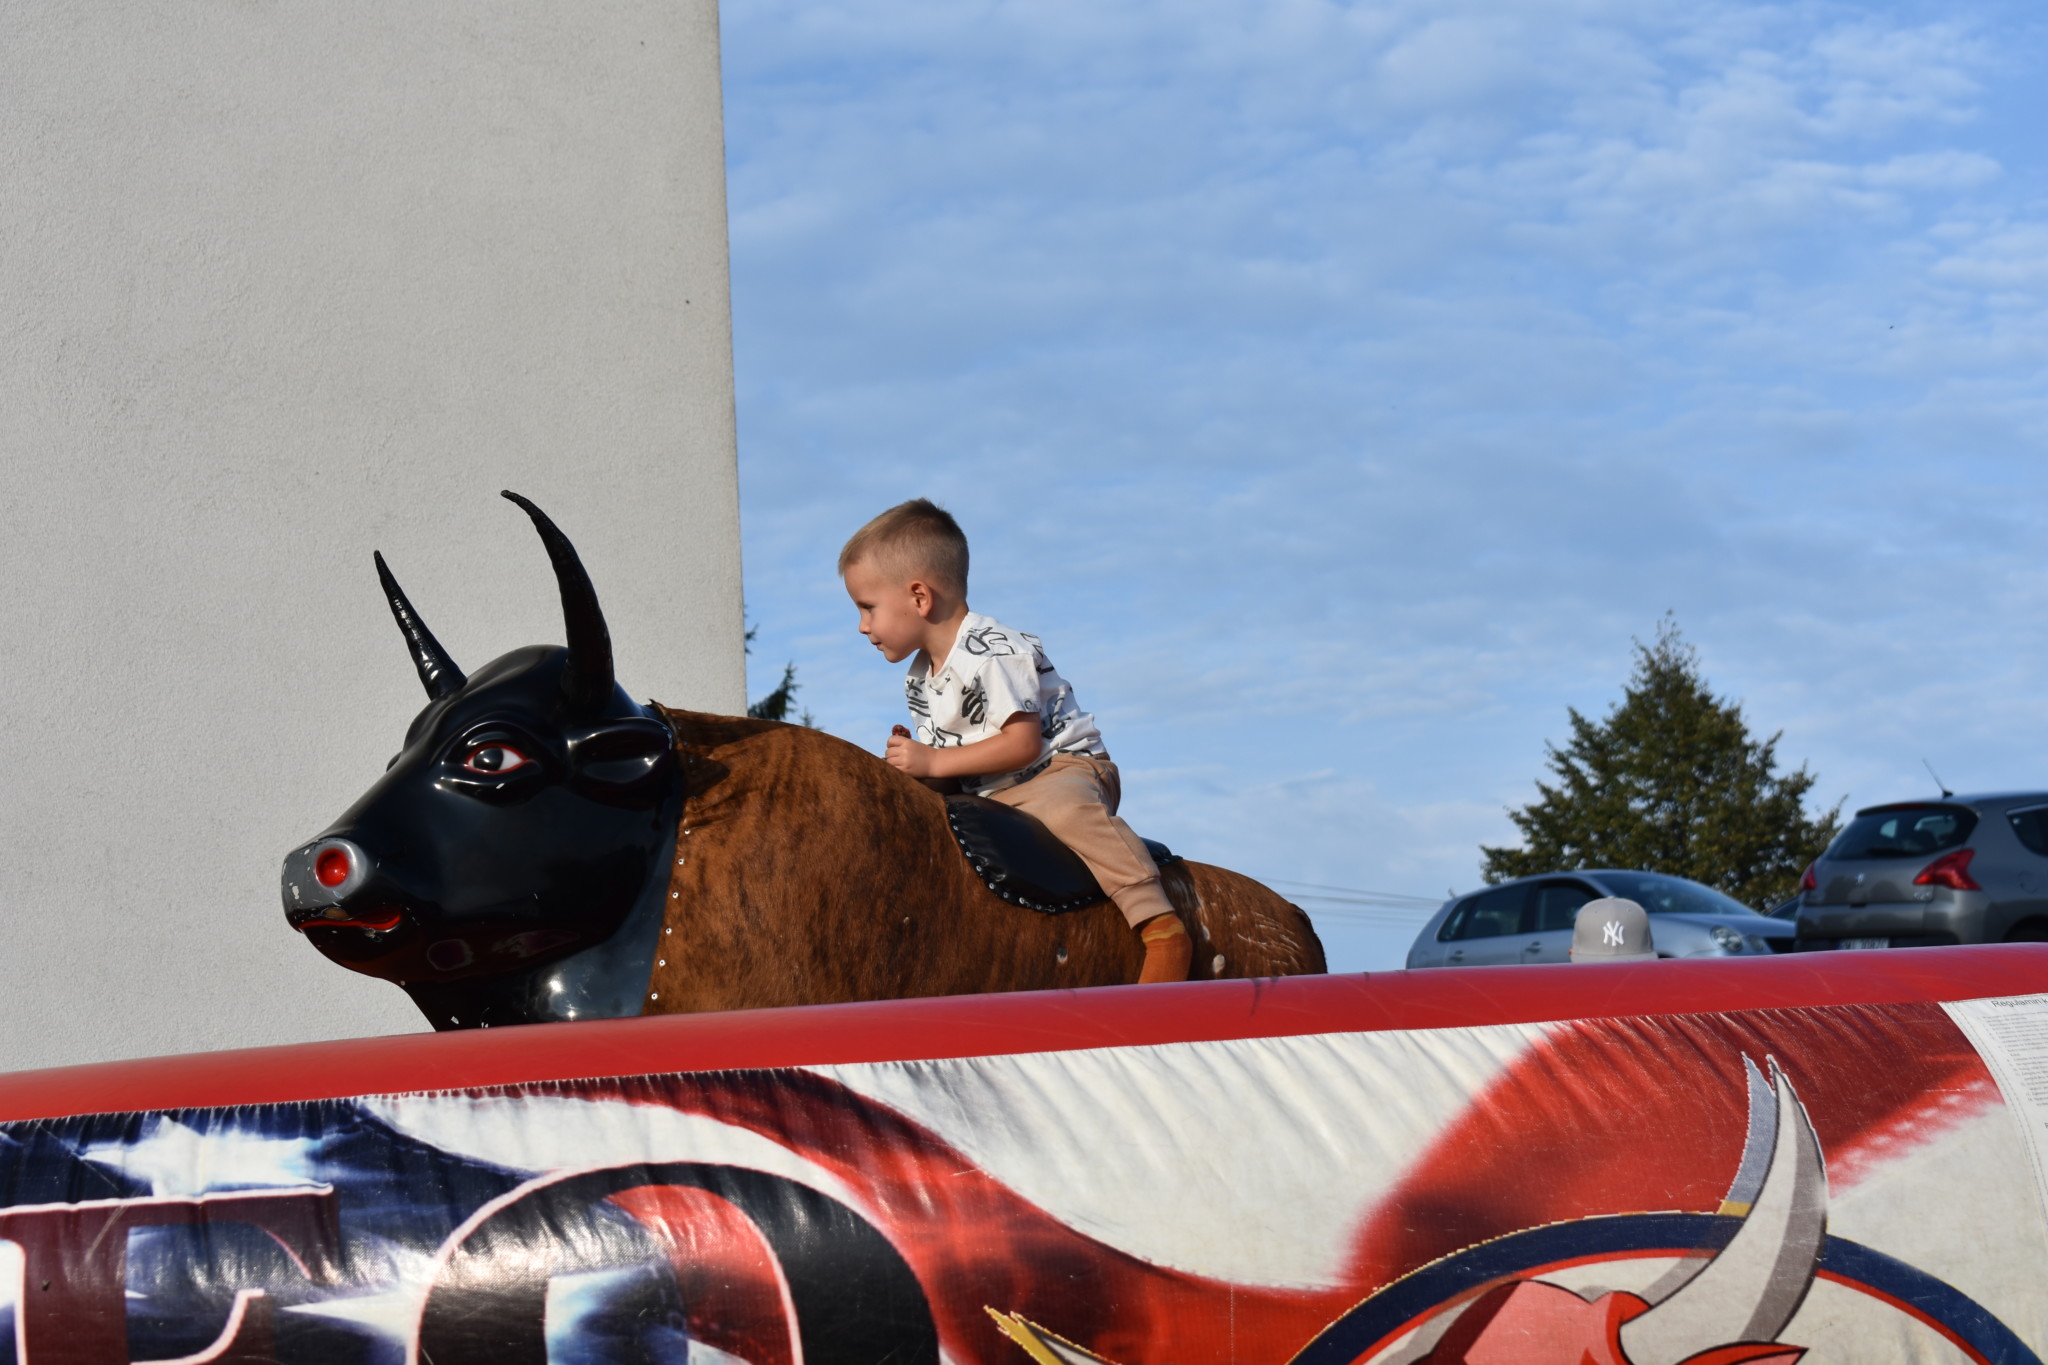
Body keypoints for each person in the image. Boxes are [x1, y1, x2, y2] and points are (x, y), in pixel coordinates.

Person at [839, 498, 1191, 984]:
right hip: (993, 789)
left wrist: (934, 761)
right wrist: (915, 770)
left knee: (1065, 811)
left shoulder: (993, 651)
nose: (862, 626)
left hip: (1057, 769)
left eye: (867, 607)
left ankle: (1158, 921)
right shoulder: (919, 677)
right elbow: (954, 766)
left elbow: (1022, 744)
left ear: (919, 597)